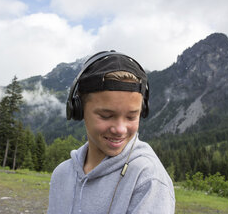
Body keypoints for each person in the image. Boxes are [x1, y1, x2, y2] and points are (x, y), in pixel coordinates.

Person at [47, 50, 175, 214]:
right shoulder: (61, 174)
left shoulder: (147, 178)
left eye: (131, 117)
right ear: (78, 109)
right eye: (106, 116)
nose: (120, 129)